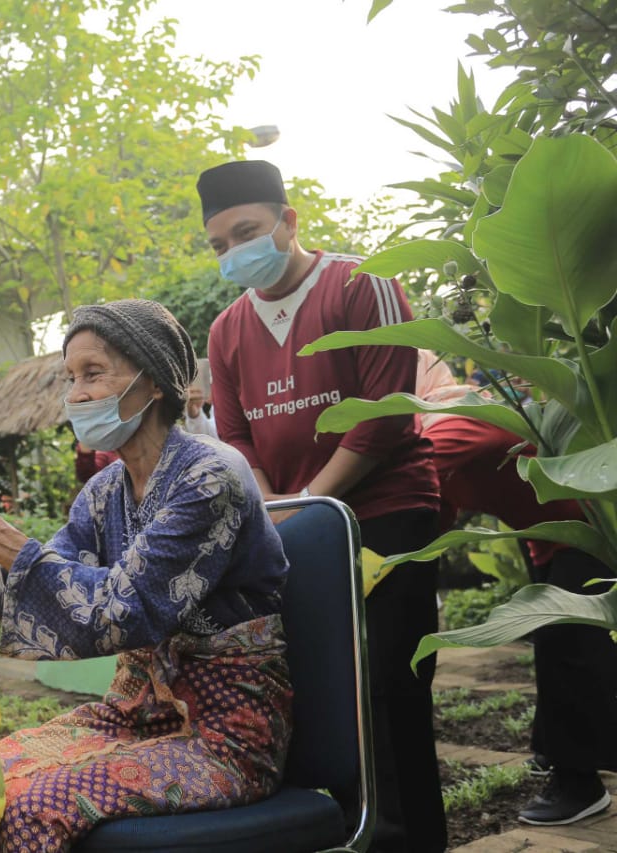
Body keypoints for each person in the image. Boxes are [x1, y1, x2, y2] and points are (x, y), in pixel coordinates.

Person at [0, 300, 293, 852]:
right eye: (71, 377)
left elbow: (118, 615)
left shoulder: (210, 477)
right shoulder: (104, 492)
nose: (76, 393)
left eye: (94, 374)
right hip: (131, 712)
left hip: (223, 735)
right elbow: (40, 589)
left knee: (28, 809)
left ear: (156, 381)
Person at [199, 160, 445, 852]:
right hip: (296, 529)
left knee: (390, 681)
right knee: (318, 685)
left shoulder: (362, 285)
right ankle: (345, 827)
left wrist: (308, 502)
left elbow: (387, 415)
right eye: (218, 244)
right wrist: (281, 507)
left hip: (386, 515)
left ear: (289, 219)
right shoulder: (226, 332)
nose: (232, 251)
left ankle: (409, 838)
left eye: (244, 231)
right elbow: (236, 435)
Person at [416, 350, 616, 825]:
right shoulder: (428, 429)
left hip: (588, 527)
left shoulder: (465, 410)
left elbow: (417, 469)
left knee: (566, 646)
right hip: (547, 538)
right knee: (551, 645)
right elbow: (432, 507)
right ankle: (553, 751)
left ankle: (579, 783)